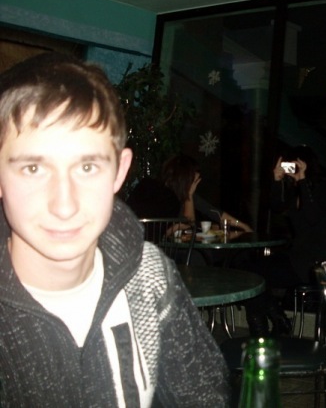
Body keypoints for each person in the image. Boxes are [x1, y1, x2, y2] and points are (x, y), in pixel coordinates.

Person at [0, 52, 229, 406]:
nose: (64, 206)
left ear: (120, 172)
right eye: (33, 169)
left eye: (87, 167)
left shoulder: (150, 276)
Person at [244, 145, 326, 336]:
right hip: (296, 257)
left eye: (296, 165)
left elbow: (312, 217)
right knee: (250, 271)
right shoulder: (297, 190)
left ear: (307, 165)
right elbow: (277, 207)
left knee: (253, 275)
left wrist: (302, 180)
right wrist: (277, 180)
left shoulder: (322, 188)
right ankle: (277, 320)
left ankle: (266, 329)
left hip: (312, 264)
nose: (292, 169)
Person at [127, 153, 253, 232]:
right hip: (156, 252)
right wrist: (189, 196)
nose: (195, 185)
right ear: (186, 178)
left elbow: (214, 212)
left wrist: (242, 226)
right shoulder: (167, 196)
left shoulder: (150, 185)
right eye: (194, 181)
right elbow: (187, 223)